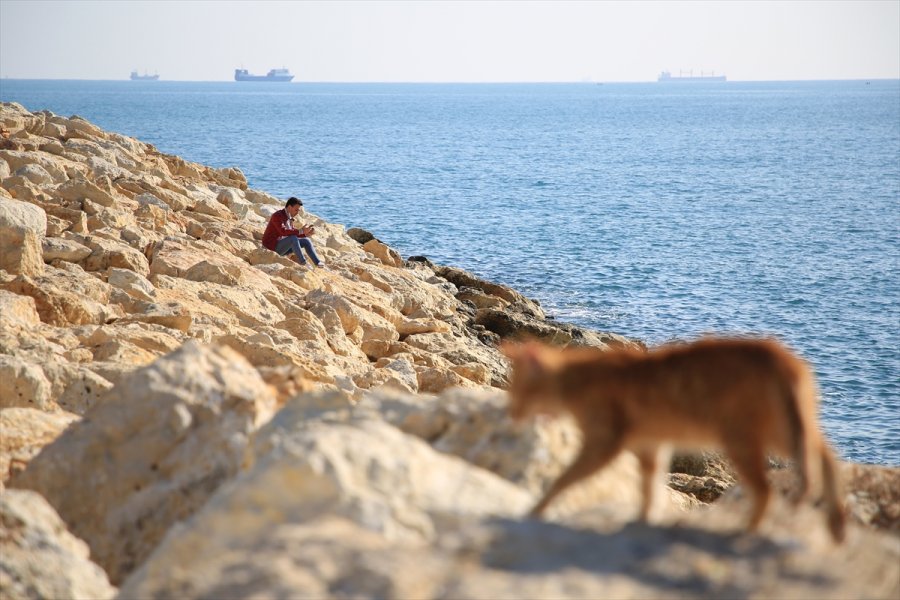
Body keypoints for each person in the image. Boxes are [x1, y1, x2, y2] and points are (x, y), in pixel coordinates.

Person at [262, 197, 324, 268]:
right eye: (296, 210)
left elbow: (291, 232)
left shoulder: (289, 218)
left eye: (298, 210)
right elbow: (283, 232)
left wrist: (305, 234)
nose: (297, 213)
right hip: (271, 247)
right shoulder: (277, 216)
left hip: (282, 246)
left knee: (306, 240)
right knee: (293, 238)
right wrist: (301, 231)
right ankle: (303, 263)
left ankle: (318, 263)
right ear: (289, 207)